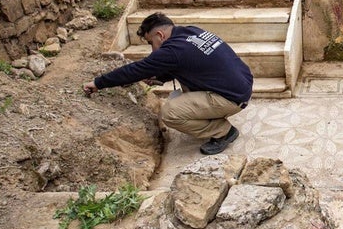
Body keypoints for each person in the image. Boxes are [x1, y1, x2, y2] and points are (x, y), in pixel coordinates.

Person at [83, 12, 253, 155]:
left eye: (151, 43)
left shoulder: (171, 51)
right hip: (241, 84)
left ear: (160, 35)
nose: (152, 49)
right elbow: (186, 63)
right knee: (183, 90)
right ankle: (212, 114)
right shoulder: (190, 32)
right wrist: (161, 77)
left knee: (170, 113)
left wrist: (99, 83)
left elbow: (135, 70)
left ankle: (223, 132)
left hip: (231, 97)